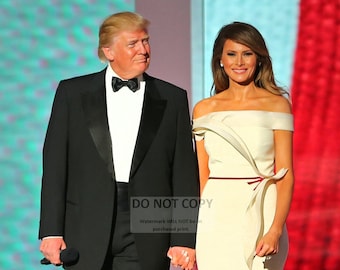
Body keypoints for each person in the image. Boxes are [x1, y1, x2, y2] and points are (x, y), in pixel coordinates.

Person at [39, 11, 199, 270]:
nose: (144, 50)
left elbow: (183, 172)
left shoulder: (173, 98)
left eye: (145, 41)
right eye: (133, 44)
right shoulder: (72, 93)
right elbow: (56, 165)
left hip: (148, 229)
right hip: (85, 225)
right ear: (108, 51)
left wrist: (183, 238)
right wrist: (51, 231)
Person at [192, 22, 294, 269]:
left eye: (247, 53)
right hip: (215, 219)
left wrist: (275, 229)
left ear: (258, 59)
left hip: (262, 212)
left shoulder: (277, 105)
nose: (239, 62)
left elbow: (286, 175)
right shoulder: (203, 109)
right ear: (220, 60)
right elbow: (202, 178)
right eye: (231, 54)